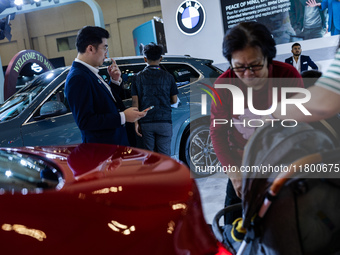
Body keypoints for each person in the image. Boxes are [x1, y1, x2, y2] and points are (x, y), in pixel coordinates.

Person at [209, 22, 304, 224]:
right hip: (241, 167)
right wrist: (233, 173)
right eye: (239, 68)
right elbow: (217, 133)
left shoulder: (288, 77)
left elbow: (300, 128)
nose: (248, 75)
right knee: (233, 230)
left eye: (255, 66)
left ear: (268, 57)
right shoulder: (223, 86)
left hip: (283, 166)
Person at [65, 26, 145, 145]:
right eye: (104, 48)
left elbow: (102, 103)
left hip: (113, 145)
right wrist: (123, 117)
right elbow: (85, 121)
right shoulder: (78, 77)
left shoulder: (89, 72)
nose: (106, 55)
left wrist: (114, 81)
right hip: (104, 150)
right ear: (91, 48)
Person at [131, 43, 178, 156]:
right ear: (161, 58)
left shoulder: (137, 78)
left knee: (149, 157)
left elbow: (134, 104)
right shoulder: (169, 77)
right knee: (165, 155)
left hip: (146, 123)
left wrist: (136, 123)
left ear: (145, 59)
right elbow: (174, 100)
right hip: (164, 122)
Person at [273, 42, 340, 121]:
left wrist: (272, 115)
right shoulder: (287, 61)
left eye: (298, 48)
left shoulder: (306, 59)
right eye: (295, 49)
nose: (297, 50)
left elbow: (323, 100)